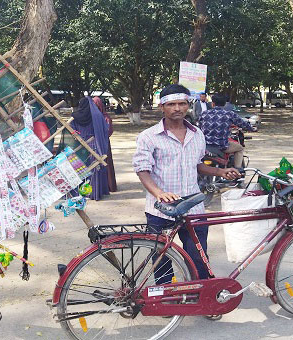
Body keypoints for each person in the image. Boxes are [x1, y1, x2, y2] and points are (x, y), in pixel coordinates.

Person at [132, 84, 240, 289]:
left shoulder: (196, 133)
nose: (177, 108)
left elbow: (197, 164)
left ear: (188, 105)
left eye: (182, 103)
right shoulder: (149, 136)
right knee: (161, 258)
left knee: (198, 255)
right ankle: (165, 297)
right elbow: (142, 170)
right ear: (162, 107)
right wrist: (159, 193)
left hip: (194, 206)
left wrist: (220, 172)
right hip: (161, 209)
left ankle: (202, 293)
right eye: (171, 104)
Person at [198, 94, 256, 168]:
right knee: (240, 148)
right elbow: (243, 124)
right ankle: (237, 170)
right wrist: (252, 128)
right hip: (221, 146)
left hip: (205, 145)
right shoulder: (229, 114)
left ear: (213, 104)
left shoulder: (204, 114)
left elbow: (199, 127)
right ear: (225, 104)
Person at [69, 96, 111, 200]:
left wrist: (78, 136)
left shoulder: (75, 116)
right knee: (94, 168)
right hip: (94, 145)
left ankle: (79, 191)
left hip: (79, 145)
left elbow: (71, 130)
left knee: (79, 167)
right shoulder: (97, 115)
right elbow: (105, 129)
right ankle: (93, 193)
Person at [92, 96, 117, 192]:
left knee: (106, 163)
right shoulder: (93, 118)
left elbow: (109, 131)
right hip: (96, 143)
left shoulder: (105, 117)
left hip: (104, 143)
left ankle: (109, 186)